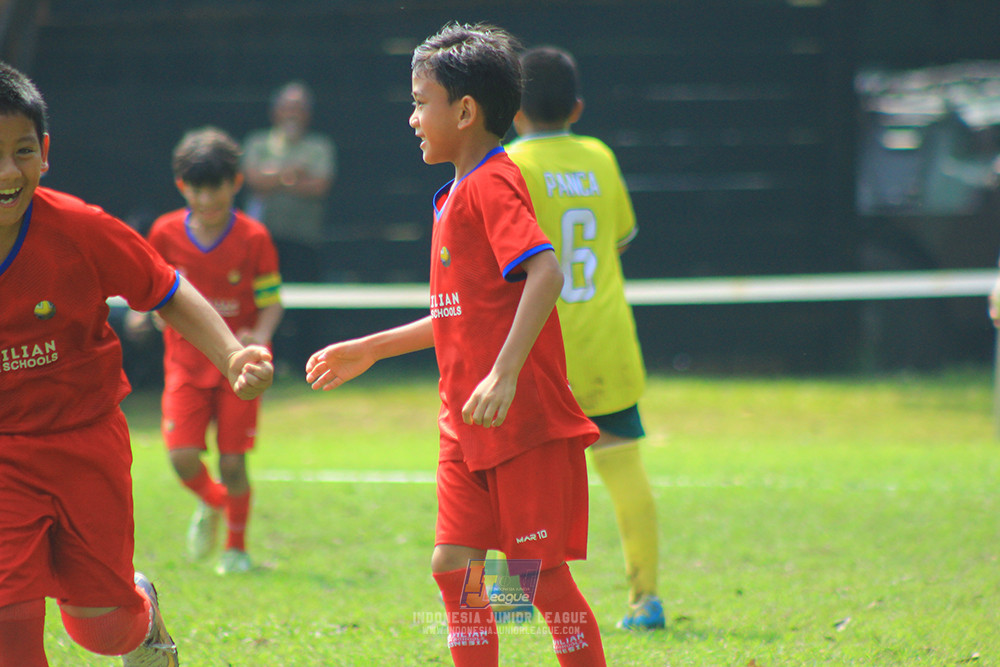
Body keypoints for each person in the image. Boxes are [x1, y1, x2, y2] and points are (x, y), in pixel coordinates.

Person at [307, 22, 607, 667]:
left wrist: (501, 375)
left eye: (420, 102)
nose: (413, 118)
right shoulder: (455, 194)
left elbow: (546, 273)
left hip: (519, 420)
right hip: (464, 424)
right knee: (453, 567)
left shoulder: (493, 183)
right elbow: (459, 314)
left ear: (465, 111)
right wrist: (373, 348)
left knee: (538, 578)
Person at [0, 62, 273, 666]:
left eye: (20, 150)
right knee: (8, 630)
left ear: (44, 153)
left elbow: (167, 291)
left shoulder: (81, 229)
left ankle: (142, 612)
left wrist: (232, 356)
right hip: (4, 457)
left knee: (102, 630)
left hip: (84, 444)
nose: (6, 172)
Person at [507, 46, 663, 630]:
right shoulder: (599, 155)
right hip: (606, 343)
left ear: (514, 111)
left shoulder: (508, 166)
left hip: (537, 347)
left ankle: (510, 602)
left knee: (519, 480)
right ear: (576, 106)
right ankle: (645, 600)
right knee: (624, 469)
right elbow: (618, 241)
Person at [129, 126, 283, 575]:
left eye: (216, 188)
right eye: (197, 189)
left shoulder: (254, 238)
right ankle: (216, 503)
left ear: (234, 184)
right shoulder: (163, 233)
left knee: (234, 462)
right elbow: (151, 291)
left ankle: (236, 551)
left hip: (240, 370)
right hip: (184, 364)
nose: (208, 199)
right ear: (183, 188)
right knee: (180, 458)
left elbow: (272, 301)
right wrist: (144, 314)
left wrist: (262, 332)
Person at [242, 80, 336, 283]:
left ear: (308, 113)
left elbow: (319, 186)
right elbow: (254, 179)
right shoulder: (257, 142)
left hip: (304, 240)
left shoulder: (319, 147)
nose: (292, 113)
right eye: (287, 107)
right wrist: (293, 174)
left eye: (298, 108)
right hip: (264, 239)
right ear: (275, 111)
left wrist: (273, 177)